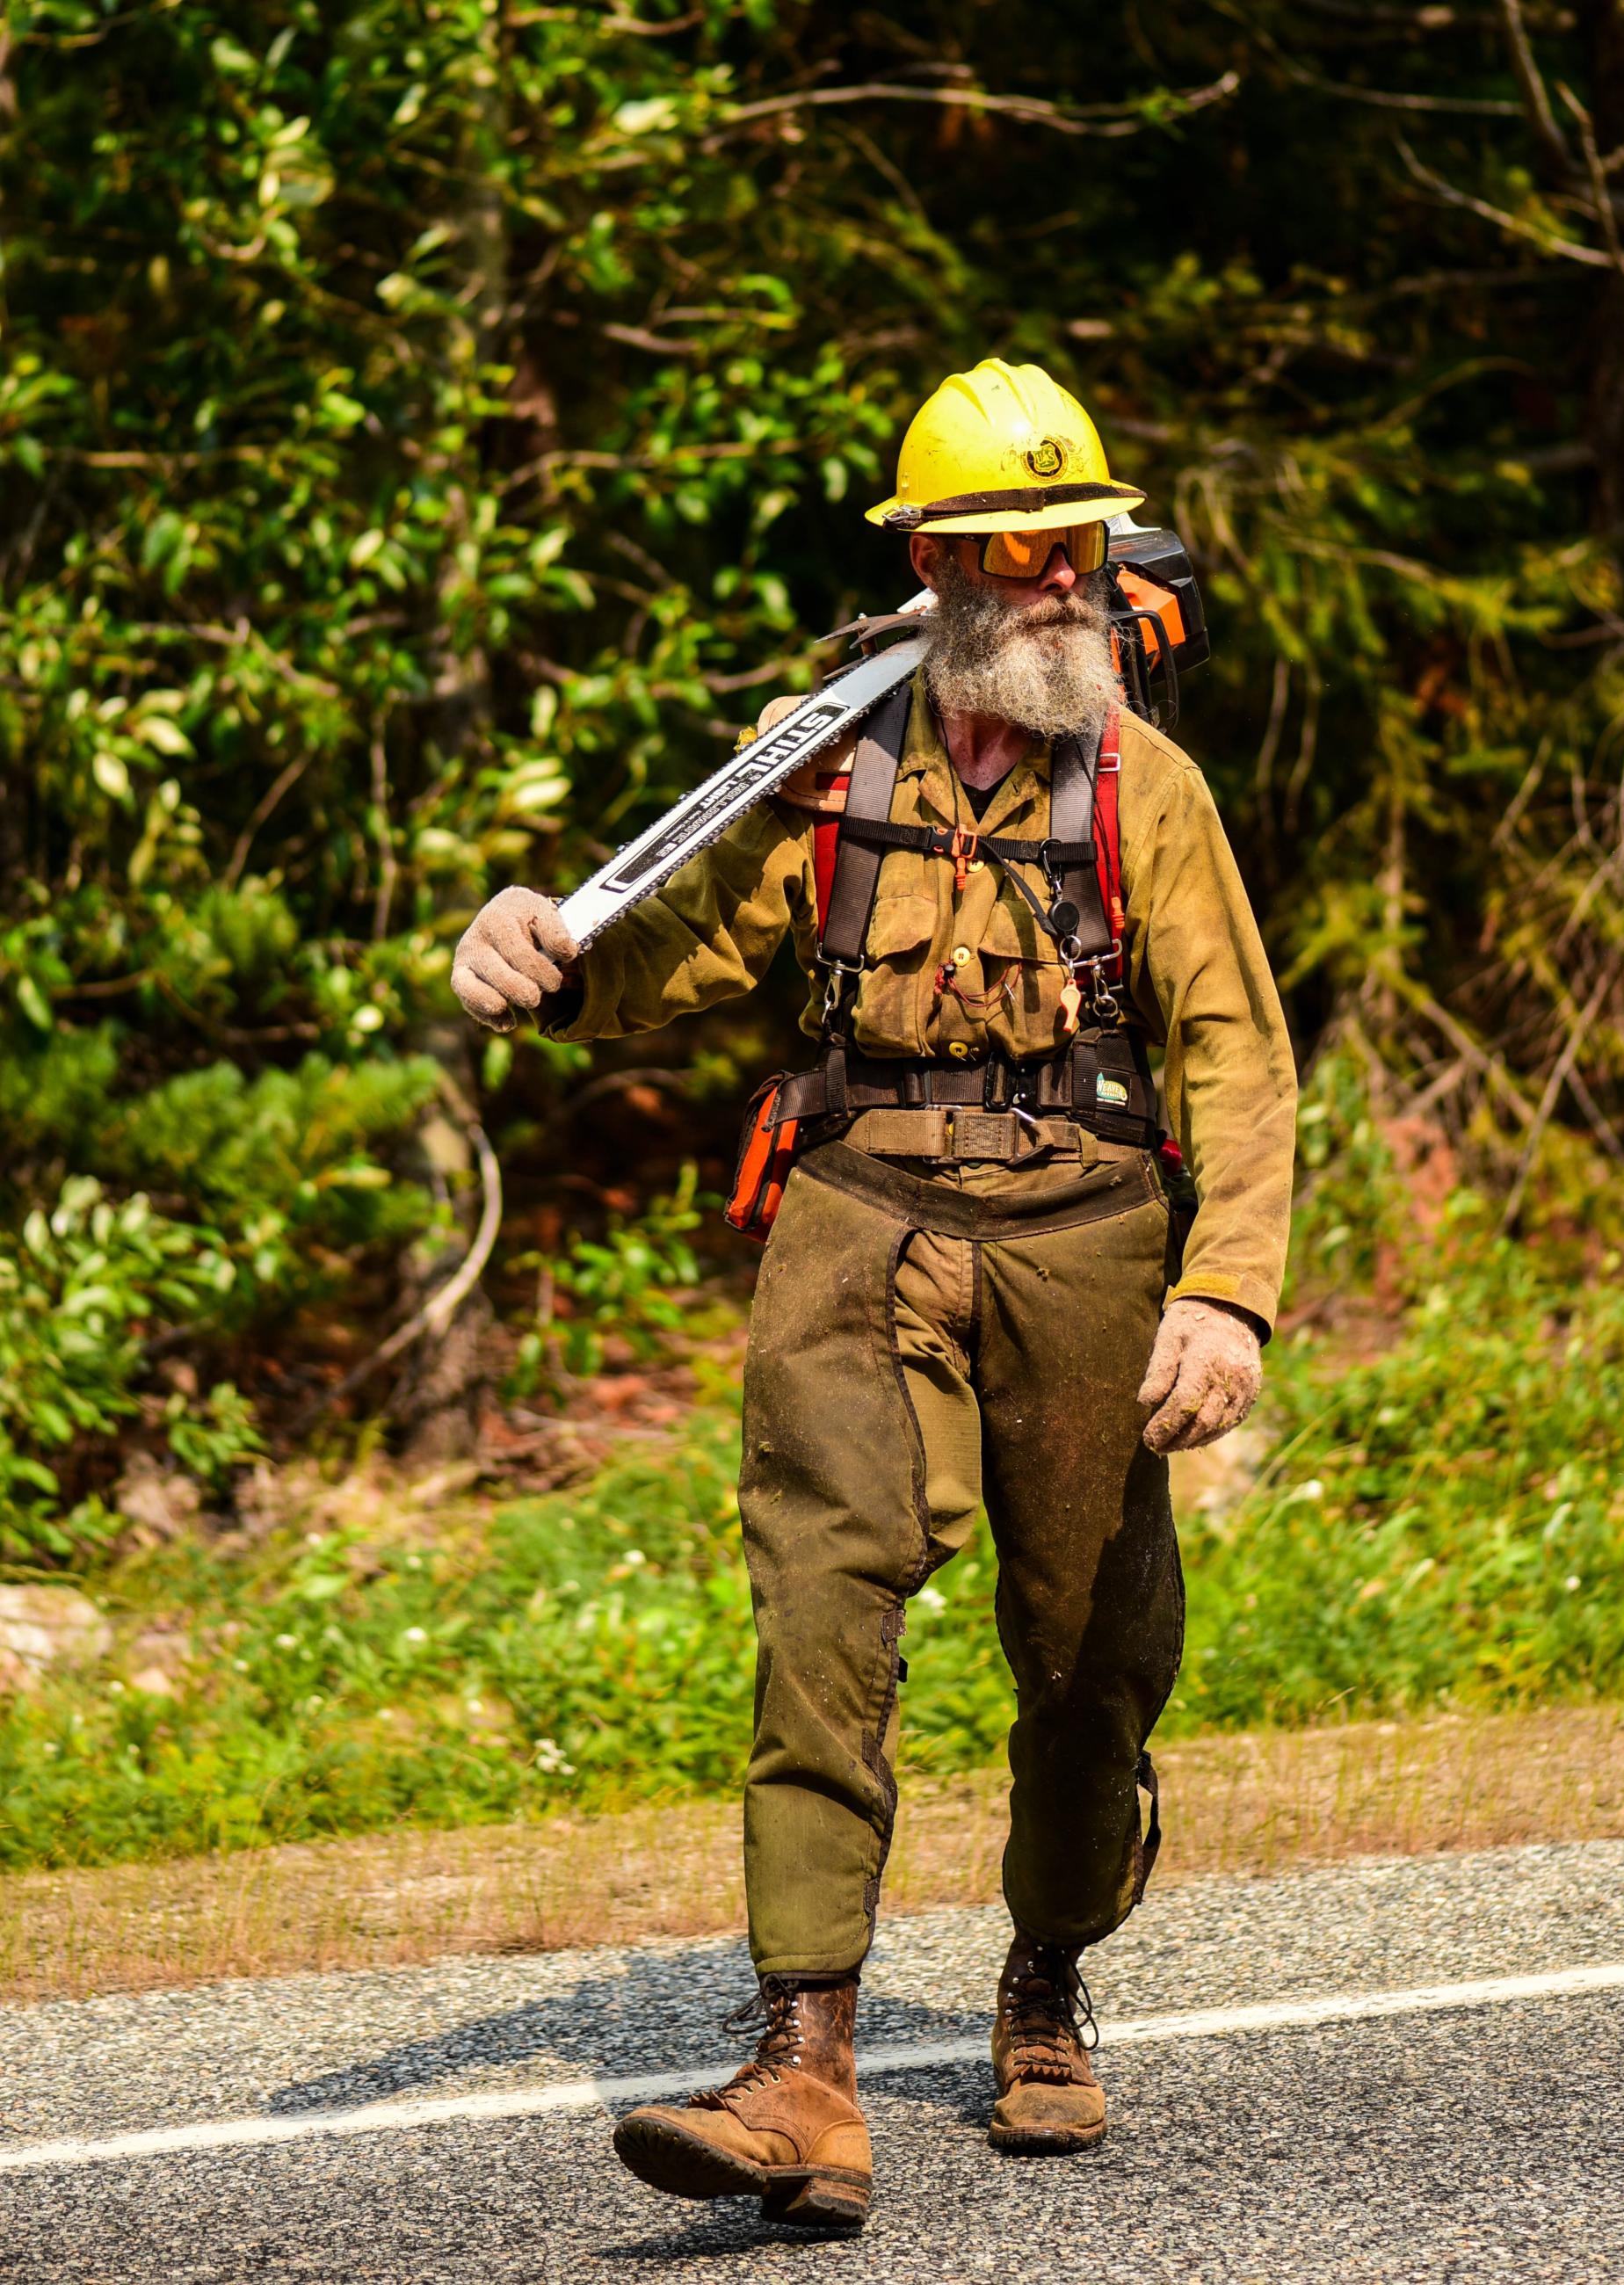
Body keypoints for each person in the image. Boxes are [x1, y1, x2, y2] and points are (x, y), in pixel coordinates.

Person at [451, 359, 1297, 2231]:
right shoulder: (816, 756)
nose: (1058, 577)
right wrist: (535, 956)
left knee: (1089, 1663)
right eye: (1013, 546)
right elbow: (651, 951)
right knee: (822, 1602)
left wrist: (1224, 1296)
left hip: (1082, 1234)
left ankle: (1047, 1977)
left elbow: (1237, 1052)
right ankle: (802, 2068)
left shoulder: (1142, 788)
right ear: (930, 562)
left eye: (1077, 540)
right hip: (851, 1216)